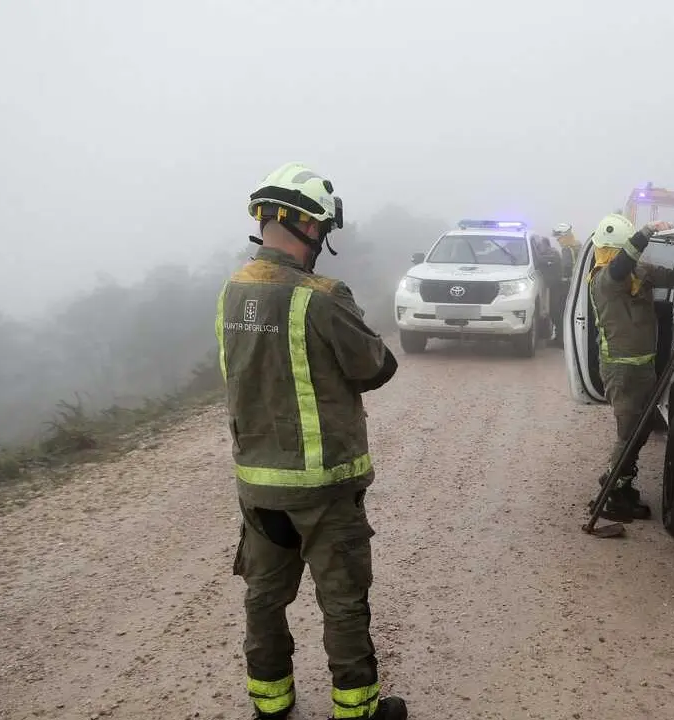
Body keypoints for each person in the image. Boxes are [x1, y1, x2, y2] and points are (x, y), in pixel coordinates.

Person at [216, 162, 408, 720]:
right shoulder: (321, 297)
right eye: (324, 230)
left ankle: (271, 705)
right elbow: (376, 366)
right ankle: (357, 711)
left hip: (257, 487)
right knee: (343, 603)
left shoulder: (231, 292)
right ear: (310, 227)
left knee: (264, 599)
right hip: (324, 486)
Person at [587, 213, 674, 521]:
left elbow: (669, 276)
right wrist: (646, 232)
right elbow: (621, 265)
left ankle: (619, 483)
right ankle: (613, 494)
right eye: (620, 249)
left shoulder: (638, 273)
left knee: (643, 428)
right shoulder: (605, 280)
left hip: (643, 366)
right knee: (628, 433)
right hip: (621, 370)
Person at [548, 223, 578, 347]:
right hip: (573, 285)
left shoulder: (567, 248)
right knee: (564, 312)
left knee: (558, 312)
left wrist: (560, 277)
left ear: (564, 236)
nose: (558, 240)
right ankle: (562, 338)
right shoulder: (575, 246)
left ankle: (561, 340)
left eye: (559, 237)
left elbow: (567, 267)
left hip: (567, 286)